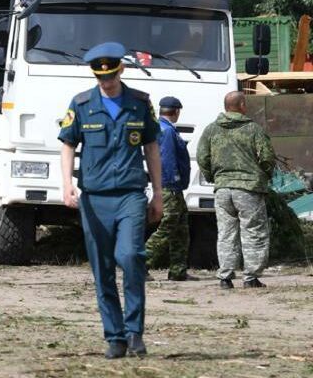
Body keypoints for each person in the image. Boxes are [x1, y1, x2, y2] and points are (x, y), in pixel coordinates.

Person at [58, 42, 163, 359]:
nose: (106, 82)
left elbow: (152, 149)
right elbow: (67, 145)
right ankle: (115, 337)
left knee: (130, 257)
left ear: (121, 70)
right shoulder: (81, 104)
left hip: (130, 195)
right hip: (94, 198)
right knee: (102, 271)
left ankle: (135, 333)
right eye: (101, 77)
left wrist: (158, 193)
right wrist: (66, 185)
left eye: (111, 76)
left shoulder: (140, 104)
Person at [197, 91, 275, 289]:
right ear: (241, 105)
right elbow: (267, 157)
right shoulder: (253, 129)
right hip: (248, 188)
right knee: (253, 231)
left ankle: (225, 277)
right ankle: (251, 277)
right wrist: (263, 176)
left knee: (226, 232)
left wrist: (213, 178)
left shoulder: (211, 130)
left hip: (222, 189)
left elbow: (202, 157)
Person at [145, 97, 196, 281]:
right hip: (170, 188)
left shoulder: (163, 128)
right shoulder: (167, 132)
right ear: (176, 112)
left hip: (173, 188)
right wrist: (174, 182)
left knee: (181, 230)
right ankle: (140, 265)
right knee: (167, 228)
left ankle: (178, 270)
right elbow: (167, 160)